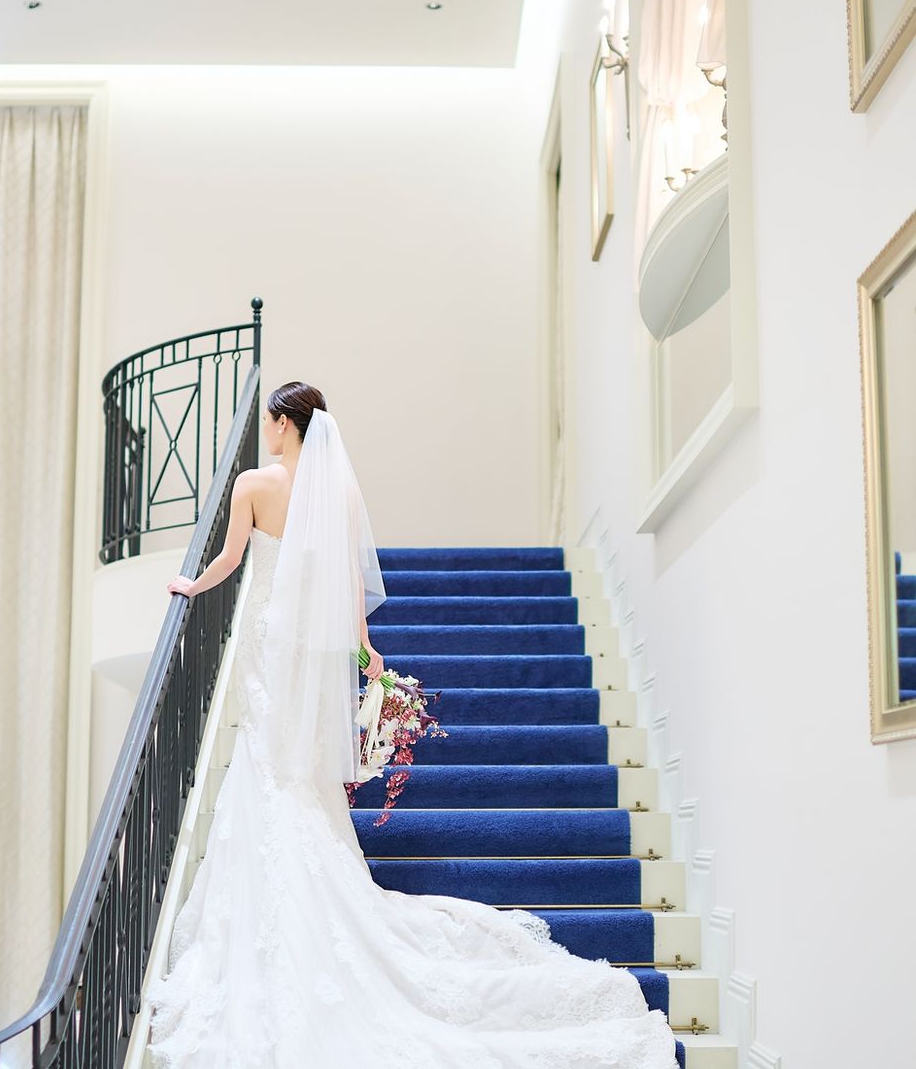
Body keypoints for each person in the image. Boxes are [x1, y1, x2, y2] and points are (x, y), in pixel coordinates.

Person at [146, 382, 679, 1068]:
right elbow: (346, 581)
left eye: (272, 422)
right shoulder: (336, 491)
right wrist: (366, 652)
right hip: (310, 642)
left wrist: (191, 587)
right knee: (296, 766)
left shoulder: (253, 484)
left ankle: (265, 901)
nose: (267, 432)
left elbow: (229, 561)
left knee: (265, 753)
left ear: (282, 424)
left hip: (269, 634)